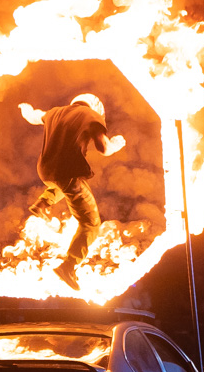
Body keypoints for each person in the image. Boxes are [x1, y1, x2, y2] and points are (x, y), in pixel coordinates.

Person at [19, 93, 126, 290]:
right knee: (91, 224)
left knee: (63, 185)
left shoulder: (55, 112)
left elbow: (35, 116)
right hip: (67, 172)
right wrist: (117, 144)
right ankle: (69, 266)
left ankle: (42, 204)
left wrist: (26, 110)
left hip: (45, 170)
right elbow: (104, 148)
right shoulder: (91, 115)